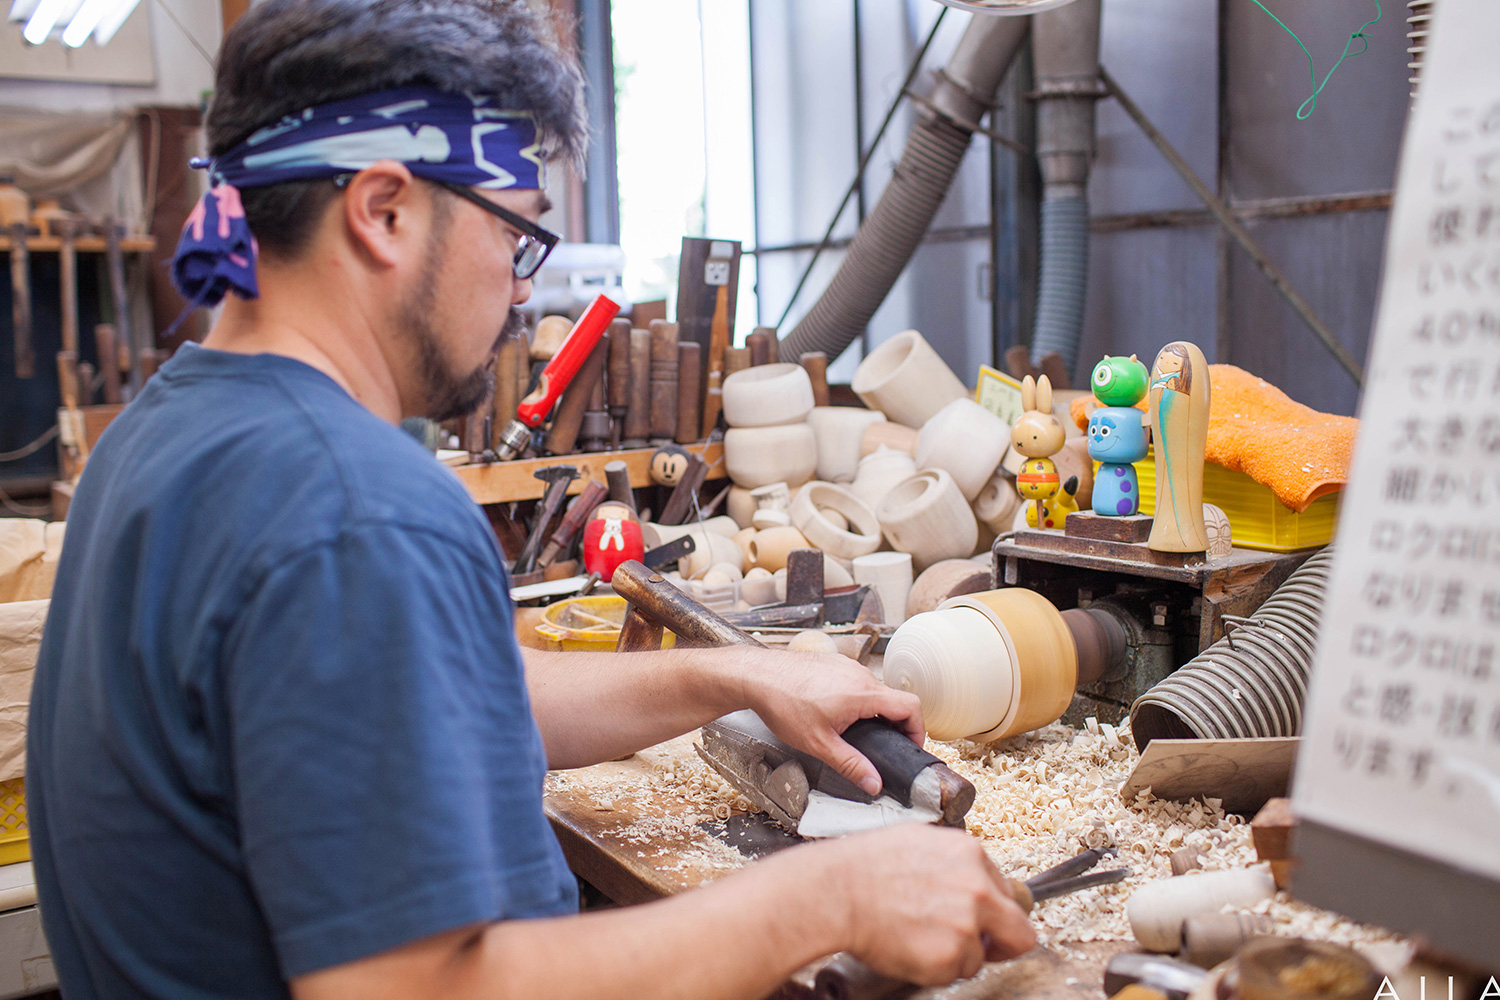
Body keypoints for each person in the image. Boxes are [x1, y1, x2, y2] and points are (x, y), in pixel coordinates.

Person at [26, 2, 1036, 998]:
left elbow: (460, 704)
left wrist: (738, 677)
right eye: (517, 237)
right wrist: (830, 898)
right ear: (383, 212)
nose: (520, 294)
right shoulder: (357, 512)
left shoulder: (164, 433)